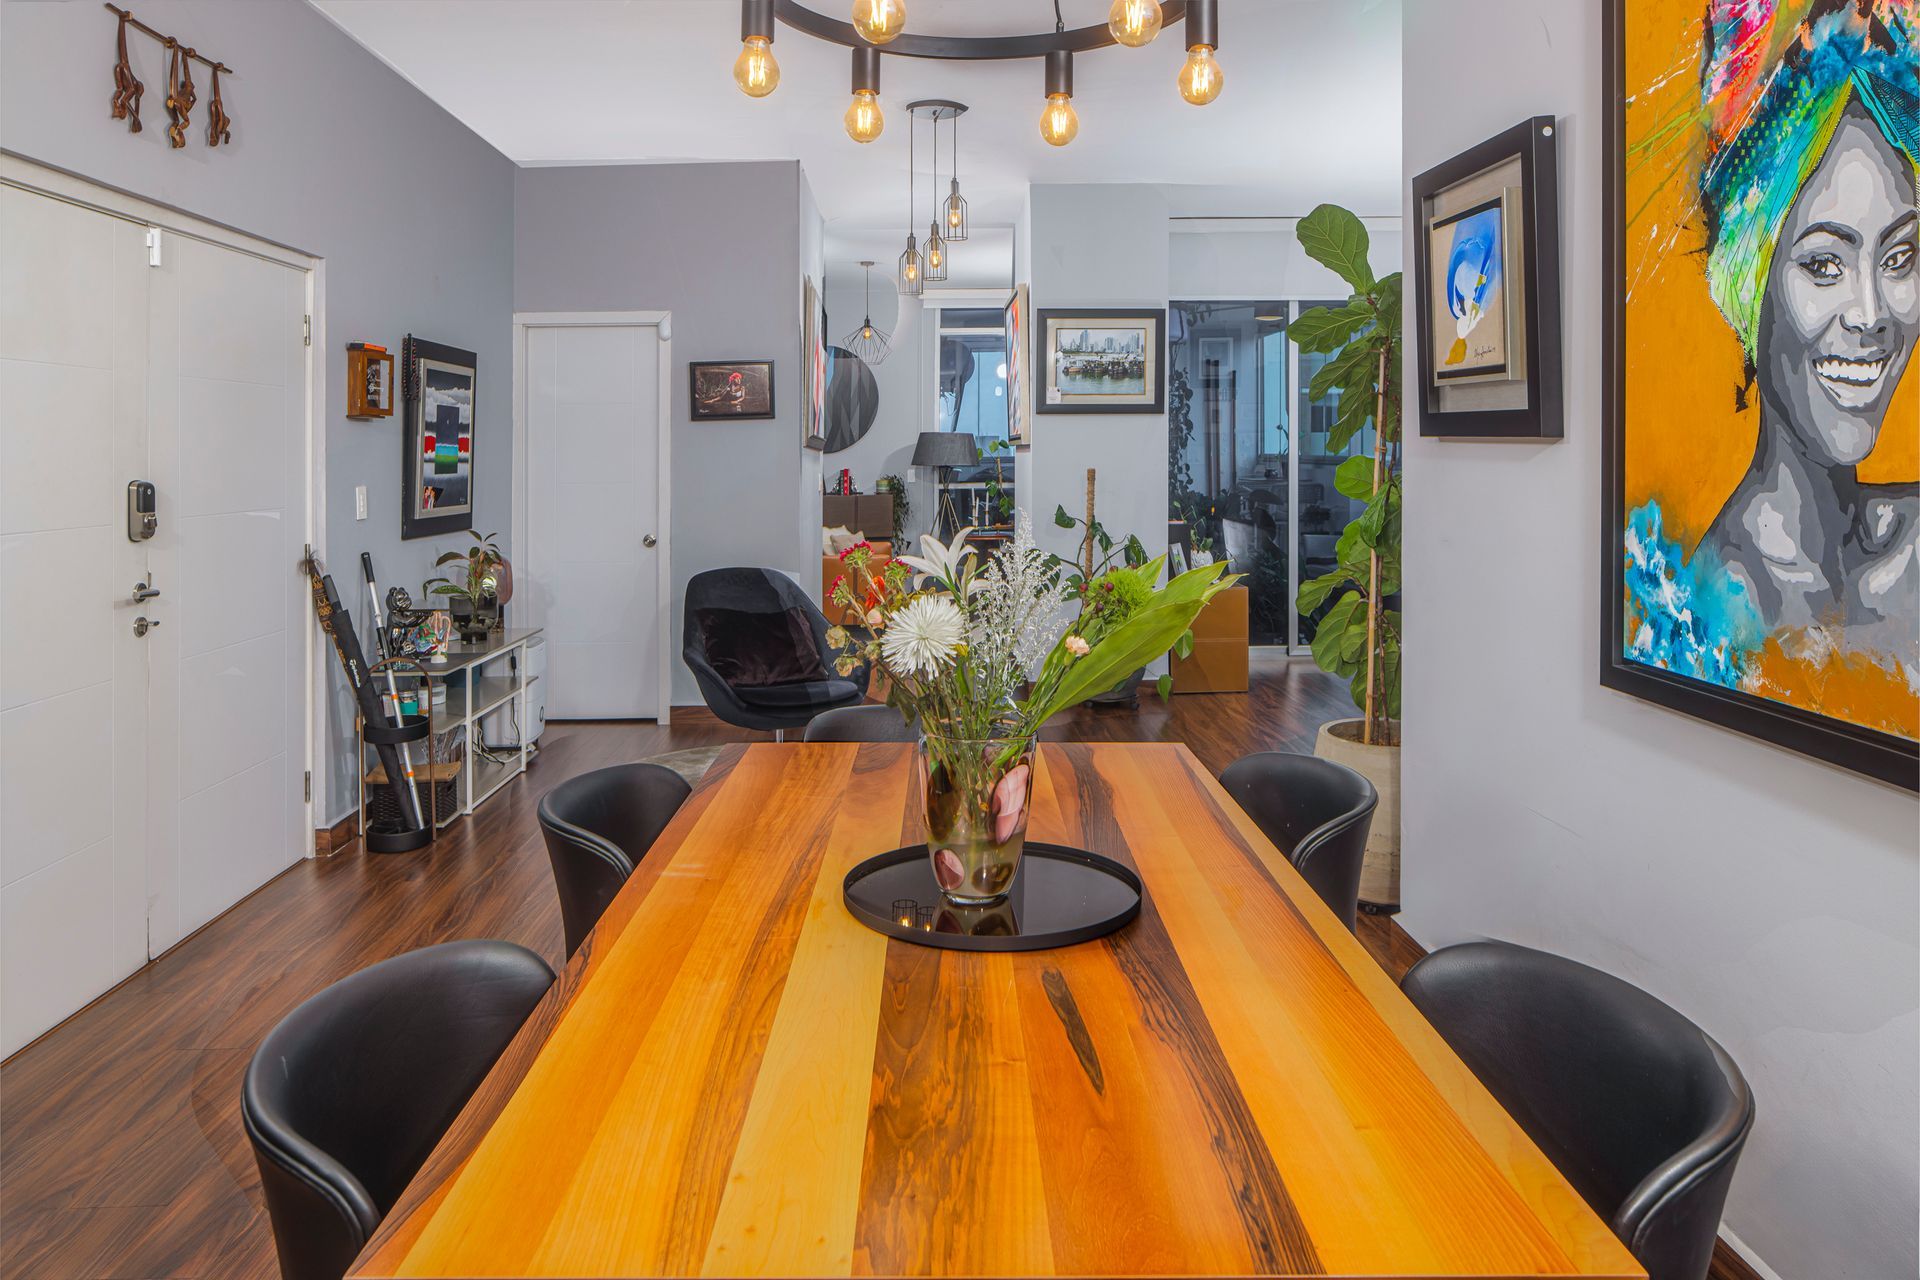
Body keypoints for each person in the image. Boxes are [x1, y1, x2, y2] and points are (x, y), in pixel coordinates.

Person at [1689, 0, 1918, 680]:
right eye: (1824, 264)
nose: (1871, 313)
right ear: (1749, 287)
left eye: (1900, 258)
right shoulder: (1711, 617)